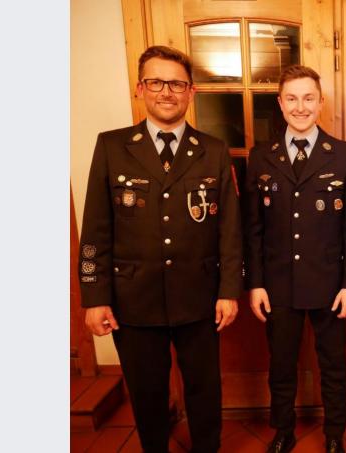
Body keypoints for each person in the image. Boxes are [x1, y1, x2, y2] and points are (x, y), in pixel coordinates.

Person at [79, 45, 242, 453]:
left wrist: (228, 290)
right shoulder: (113, 146)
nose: (166, 92)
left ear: (191, 92)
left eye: (177, 84)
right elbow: (95, 230)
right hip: (134, 298)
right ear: (140, 88)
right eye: (156, 82)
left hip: (199, 296)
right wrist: (94, 297)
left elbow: (229, 229)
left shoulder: (214, 150)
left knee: (205, 389)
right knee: (147, 390)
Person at [244, 65, 346, 453]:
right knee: (281, 366)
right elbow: (252, 228)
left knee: (333, 365)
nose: (301, 107)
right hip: (278, 285)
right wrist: (256, 283)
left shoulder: (345, 156)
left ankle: (334, 434)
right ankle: (283, 431)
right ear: (281, 104)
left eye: (309, 98)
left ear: (321, 102)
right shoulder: (261, 156)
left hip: (331, 285)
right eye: (292, 99)